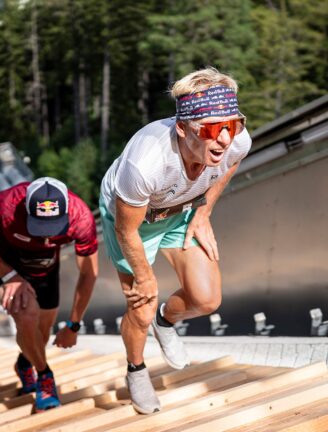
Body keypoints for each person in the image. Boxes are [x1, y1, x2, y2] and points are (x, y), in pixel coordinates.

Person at [99, 67, 252, 414]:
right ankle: (136, 371)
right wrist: (146, 278)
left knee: (207, 299)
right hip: (135, 223)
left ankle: (165, 321)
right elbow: (127, 230)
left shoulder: (235, 142)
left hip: (181, 211)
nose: (225, 139)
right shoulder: (147, 163)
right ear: (183, 128)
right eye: (213, 128)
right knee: (142, 304)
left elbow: (232, 163)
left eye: (233, 124)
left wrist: (204, 212)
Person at [0, 177, 98, 412]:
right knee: (26, 316)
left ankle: (25, 365)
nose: (45, 237)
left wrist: (74, 325)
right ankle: (45, 376)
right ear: (26, 209)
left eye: (53, 229)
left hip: (46, 269)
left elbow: (88, 274)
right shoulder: (3, 207)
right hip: (7, 264)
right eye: (39, 227)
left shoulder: (81, 217)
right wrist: (10, 275)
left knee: (42, 333)